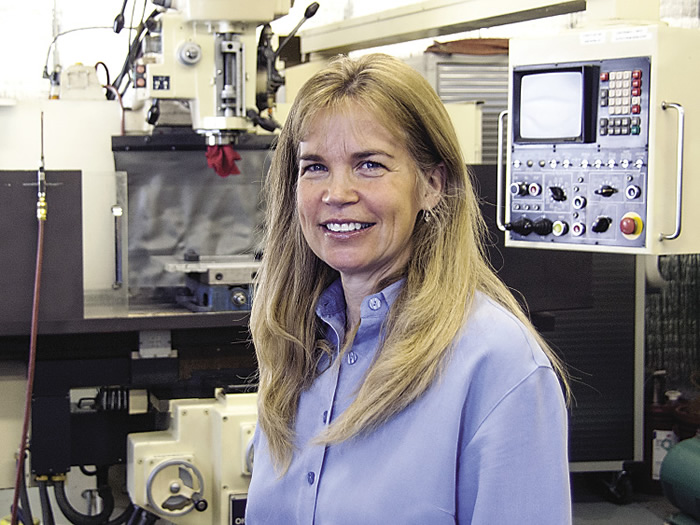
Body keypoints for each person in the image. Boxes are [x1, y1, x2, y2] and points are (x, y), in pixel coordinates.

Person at [246, 53, 571, 524]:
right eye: (314, 166)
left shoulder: (499, 364)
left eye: (370, 165)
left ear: (432, 184)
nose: (336, 193)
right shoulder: (296, 345)